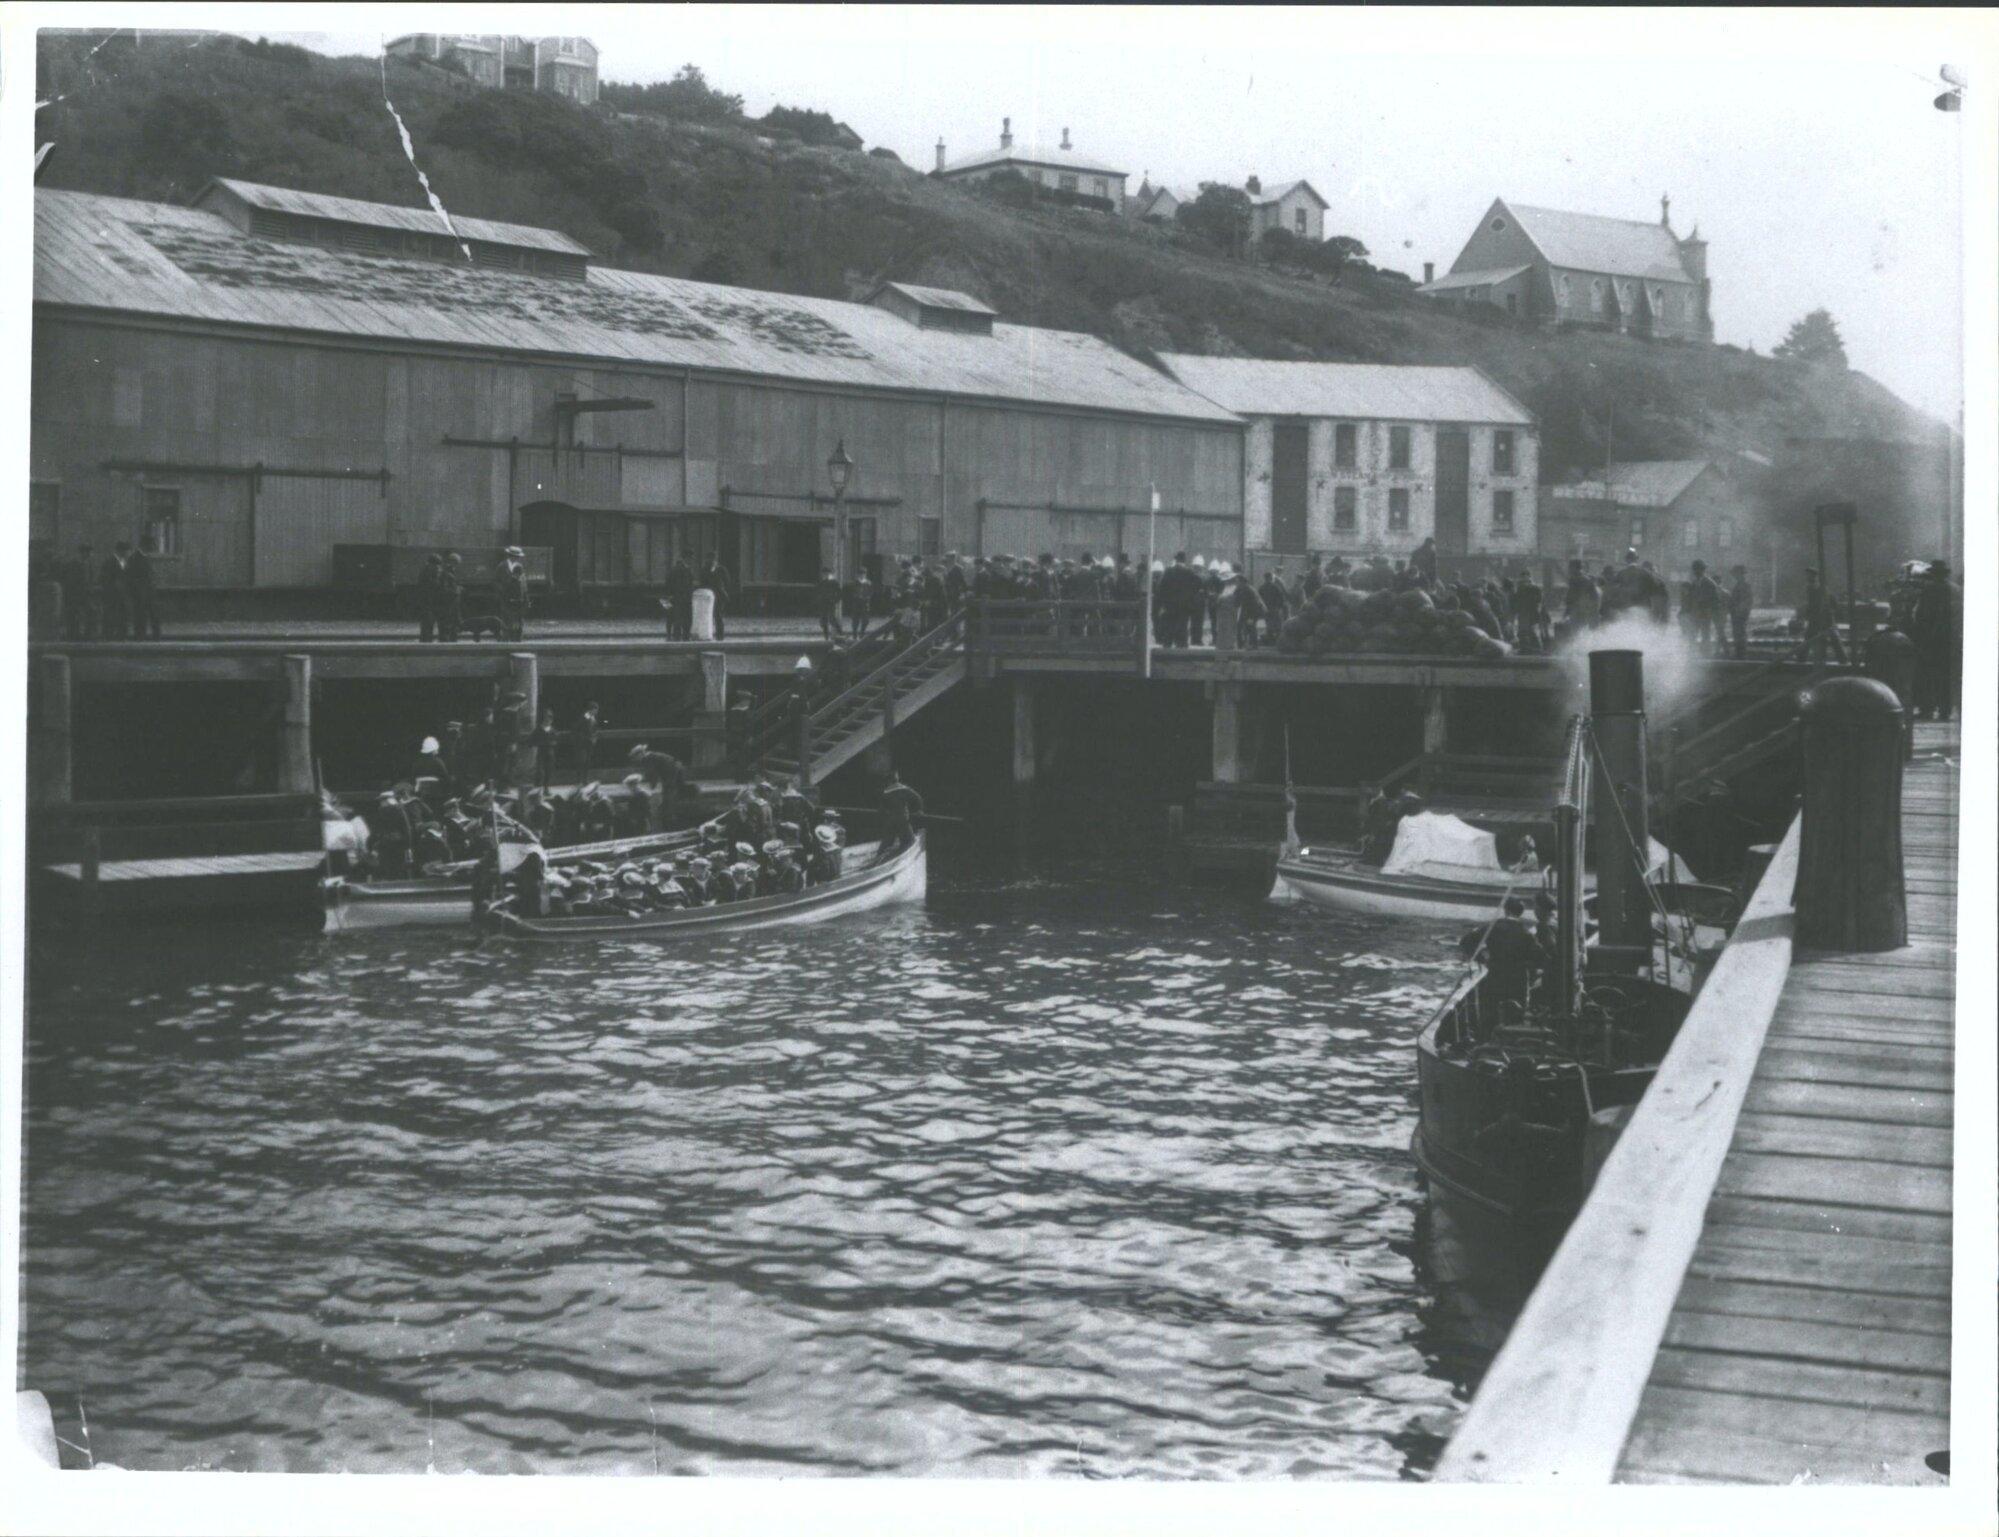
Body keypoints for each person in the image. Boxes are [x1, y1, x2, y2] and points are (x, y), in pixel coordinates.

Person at [1477, 896, 1549, 1026]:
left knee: (1492, 1013)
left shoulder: (1492, 927)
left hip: (1495, 976)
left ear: (1506, 911)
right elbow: (1541, 957)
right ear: (1520, 913)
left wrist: (1483, 957)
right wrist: (1529, 964)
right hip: (1518, 980)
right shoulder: (1526, 933)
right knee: (1517, 1014)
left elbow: (1467, 941)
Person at [1910, 559, 1962, 722]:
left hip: (1932, 639)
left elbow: (1923, 615)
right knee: (1949, 675)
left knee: (1928, 674)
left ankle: (1928, 708)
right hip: (1952, 638)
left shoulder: (1931, 589)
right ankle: (1945, 710)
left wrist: (1924, 636)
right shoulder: (1957, 590)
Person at [1794, 567, 1847, 665]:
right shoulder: (1811, 587)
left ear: (1814, 576)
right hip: (1816, 618)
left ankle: (1843, 660)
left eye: (1809, 575)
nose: (1807, 577)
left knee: (1832, 638)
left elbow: (1828, 602)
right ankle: (1801, 660)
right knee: (1810, 638)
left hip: (1824, 618)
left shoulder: (1818, 588)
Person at [628, 743, 687, 830]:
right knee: (670, 789)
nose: (635, 759)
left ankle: (668, 814)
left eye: (635, 756)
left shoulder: (647, 758)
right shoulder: (650, 756)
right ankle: (667, 812)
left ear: (640, 754)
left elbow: (652, 775)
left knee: (668, 791)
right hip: (674, 767)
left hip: (671, 769)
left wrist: (652, 787)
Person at [877, 769, 924, 859]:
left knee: (886, 842)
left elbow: (881, 810)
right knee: (910, 841)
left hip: (890, 821)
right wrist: (919, 810)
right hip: (903, 820)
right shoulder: (904, 789)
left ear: (889, 781)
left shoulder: (886, 792)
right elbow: (918, 798)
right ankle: (895, 856)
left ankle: (879, 856)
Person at [125, 537, 162, 639]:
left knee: (154, 614)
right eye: (152, 544)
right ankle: (140, 637)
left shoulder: (145, 557)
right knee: (141, 616)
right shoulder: (134, 558)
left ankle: (156, 636)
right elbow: (130, 577)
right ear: (145, 545)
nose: (154, 547)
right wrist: (138, 591)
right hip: (140, 594)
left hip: (149, 592)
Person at [1685, 559, 1722, 652]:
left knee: (1705, 634)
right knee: (1693, 634)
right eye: (1695, 569)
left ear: (1703, 570)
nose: (1696, 571)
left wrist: (1709, 609)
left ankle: (1706, 654)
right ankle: (1693, 654)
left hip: (1705, 613)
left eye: (1699, 569)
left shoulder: (1709, 583)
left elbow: (1716, 600)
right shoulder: (1694, 583)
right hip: (1695, 613)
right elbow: (1691, 598)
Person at [98, 543, 131, 640]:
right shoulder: (109, 562)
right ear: (121, 551)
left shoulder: (125, 562)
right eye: (127, 551)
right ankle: (108, 636)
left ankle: (121, 636)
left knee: (123, 615)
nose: (128, 553)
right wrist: (113, 584)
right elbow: (103, 578)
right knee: (109, 615)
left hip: (123, 595)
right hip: (111, 594)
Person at [497, 546, 530, 642]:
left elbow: (524, 583)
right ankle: (505, 642)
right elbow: (497, 582)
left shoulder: (520, 566)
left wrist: (526, 597)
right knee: (506, 621)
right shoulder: (501, 566)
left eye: (518, 556)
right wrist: (503, 592)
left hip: (519, 600)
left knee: (519, 622)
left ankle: (517, 642)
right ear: (510, 556)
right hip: (506, 599)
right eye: (515, 556)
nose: (517, 558)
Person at [1510, 568, 1546, 654]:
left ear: (1529, 577)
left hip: (1530, 613)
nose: (1524, 579)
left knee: (1531, 632)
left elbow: (1539, 601)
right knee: (1524, 632)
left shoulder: (1533, 587)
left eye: (1525, 577)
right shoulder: (1522, 587)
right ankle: (1527, 649)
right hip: (1524, 613)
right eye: (1523, 577)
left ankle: (1536, 649)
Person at [699, 554, 734, 640]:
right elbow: (702, 583)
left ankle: (720, 635)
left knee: (718, 616)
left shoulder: (721, 569)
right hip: (708, 596)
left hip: (719, 596)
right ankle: (708, 634)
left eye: (713, 559)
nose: (711, 561)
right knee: (708, 616)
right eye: (709, 559)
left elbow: (727, 582)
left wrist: (724, 592)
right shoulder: (704, 570)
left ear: (716, 560)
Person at [1726, 564, 1755, 660]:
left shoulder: (1745, 585)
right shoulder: (1739, 585)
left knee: (1740, 634)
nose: (1734, 576)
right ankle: (1739, 653)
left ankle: (1741, 655)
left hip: (1740, 615)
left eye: (1736, 574)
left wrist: (1740, 612)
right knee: (1737, 634)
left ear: (1741, 574)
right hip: (1736, 614)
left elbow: (1747, 601)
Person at [1564, 559, 1600, 633]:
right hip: (1584, 610)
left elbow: (1571, 596)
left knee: (1577, 631)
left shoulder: (1577, 579)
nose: (1568, 569)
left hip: (1580, 610)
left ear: (1574, 567)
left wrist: (1568, 609)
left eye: (1570, 567)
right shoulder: (1586, 579)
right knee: (1582, 631)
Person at [416, 553, 443, 643]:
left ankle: (426, 639)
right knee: (428, 622)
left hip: (427, 602)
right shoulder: (428, 572)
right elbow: (433, 585)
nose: (438, 567)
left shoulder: (426, 571)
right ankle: (426, 641)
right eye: (437, 564)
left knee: (427, 623)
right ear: (433, 564)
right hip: (428, 602)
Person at [437, 552, 463, 643]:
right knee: (447, 625)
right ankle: (446, 646)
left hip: (452, 604)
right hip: (448, 604)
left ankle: (452, 644)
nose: (456, 565)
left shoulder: (450, 572)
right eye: (456, 563)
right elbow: (444, 589)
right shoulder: (446, 573)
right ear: (453, 562)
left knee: (453, 624)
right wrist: (456, 590)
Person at [574, 701, 602, 782]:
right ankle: (579, 780)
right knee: (581, 761)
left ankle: (585, 779)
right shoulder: (582, 718)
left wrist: (594, 738)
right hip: (582, 744)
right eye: (595, 710)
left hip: (590, 743)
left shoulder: (594, 719)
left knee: (588, 762)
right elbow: (576, 730)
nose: (597, 712)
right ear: (591, 710)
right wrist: (581, 739)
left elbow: (595, 730)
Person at [846, 568, 873, 640]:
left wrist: (867, 597)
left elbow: (871, 593)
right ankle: (854, 634)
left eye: (863, 574)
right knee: (855, 620)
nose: (862, 576)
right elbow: (850, 593)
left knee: (866, 620)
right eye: (860, 574)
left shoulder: (868, 583)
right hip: (856, 603)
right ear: (858, 575)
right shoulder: (854, 583)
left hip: (865, 603)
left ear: (865, 575)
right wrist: (855, 596)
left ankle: (862, 633)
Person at [816, 567, 842, 642]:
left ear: (830, 574)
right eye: (824, 574)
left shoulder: (834, 582)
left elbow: (840, 593)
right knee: (824, 621)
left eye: (827, 573)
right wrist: (819, 600)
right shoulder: (822, 583)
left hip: (831, 603)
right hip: (823, 604)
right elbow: (819, 592)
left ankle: (841, 633)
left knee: (832, 619)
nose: (826, 575)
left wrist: (835, 600)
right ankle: (826, 637)